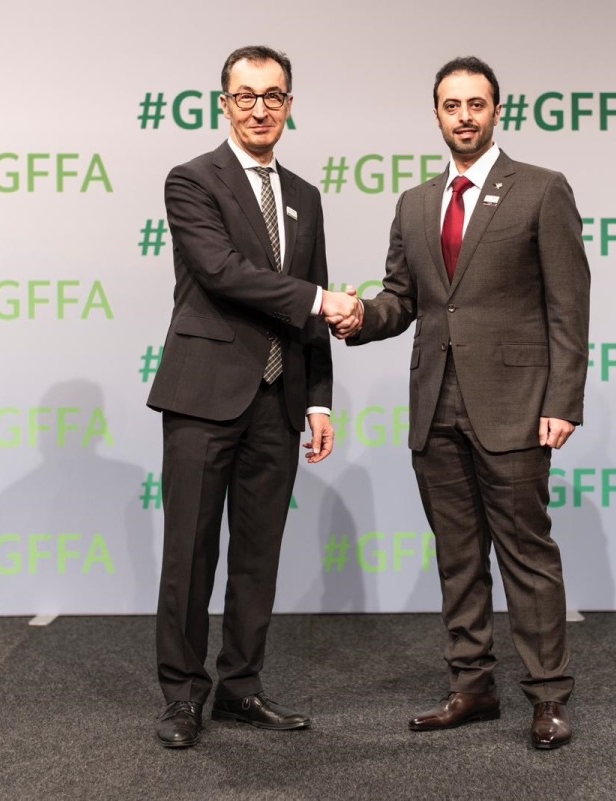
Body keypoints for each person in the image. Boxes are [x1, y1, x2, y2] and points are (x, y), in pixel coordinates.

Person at [339, 56, 590, 750]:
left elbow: (569, 304)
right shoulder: (415, 203)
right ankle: (472, 685)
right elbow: (404, 299)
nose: (464, 117)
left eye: (476, 104)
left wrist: (563, 400)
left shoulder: (542, 190)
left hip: (515, 404)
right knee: (457, 557)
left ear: (496, 110)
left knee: (527, 556)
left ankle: (548, 696)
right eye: (452, 106)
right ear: (437, 115)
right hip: (435, 407)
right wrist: (360, 316)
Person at [147, 44, 362, 748]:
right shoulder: (192, 181)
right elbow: (223, 272)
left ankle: (241, 685)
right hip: (204, 395)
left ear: (290, 105)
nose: (260, 108)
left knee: (258, 554)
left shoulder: (304, 196)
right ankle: (182, 694)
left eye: (273, 96)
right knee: (190, 553)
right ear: (224, 103)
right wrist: (320, 299)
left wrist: (321, 399)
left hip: (278, 399)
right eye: (246, 96)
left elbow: (311, 315)